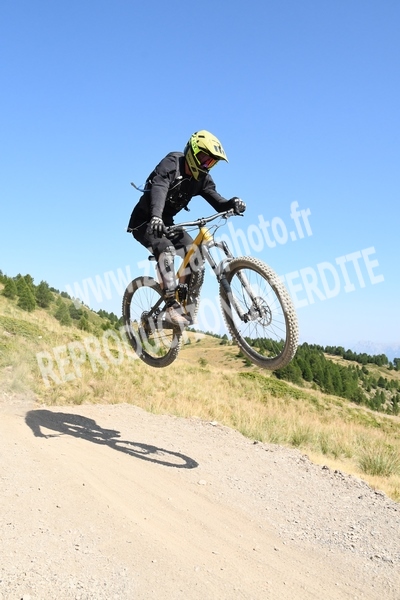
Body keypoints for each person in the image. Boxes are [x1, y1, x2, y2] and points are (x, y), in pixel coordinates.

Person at [127, 130, 246, 326]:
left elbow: (218, 202)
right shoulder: (172, 163)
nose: (206, 165)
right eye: (204, 159)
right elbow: (159, 187)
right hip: (145, 221)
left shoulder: (202, 179)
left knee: (195, 254)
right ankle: (171, 307)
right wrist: (156, 216)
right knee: (166, 249)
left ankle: (186, 304)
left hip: (167, 223)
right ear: (192, 152)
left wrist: (232, 203)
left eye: (211, 162)